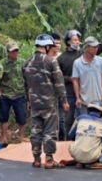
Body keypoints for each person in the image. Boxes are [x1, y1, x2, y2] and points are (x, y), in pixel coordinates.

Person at [22, 34, 69, 169]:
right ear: (47, 46)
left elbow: (25, 86)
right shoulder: (51, 61)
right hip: (49, 103)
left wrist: (28, 102)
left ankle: (36, 159)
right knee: (50, 131)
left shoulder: (26, 63)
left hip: (34, 104)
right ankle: (49, 160)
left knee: (36, 130)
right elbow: (59, 83)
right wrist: (64, 101)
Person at [56, 30, 102, 140]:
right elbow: (57, 76)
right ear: (68, 42)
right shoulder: (62, 58)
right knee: (71, 120)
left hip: (85, 92)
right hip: (70, 94)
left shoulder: (81, 55)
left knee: (99, 121)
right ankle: (68, 142)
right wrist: (71, 79)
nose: (77, 42)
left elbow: (97, 51)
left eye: (78, 40)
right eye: (75, 40)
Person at [68, 100, 102, 169]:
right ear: (101, 112)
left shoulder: (80, 118)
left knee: (77, 140)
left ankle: (80, 162)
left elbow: (70, 136)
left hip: (76, 155)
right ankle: (94, 162)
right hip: (93, 156)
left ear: (89, 110)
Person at [0, 41, 26, 145]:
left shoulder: (23, 63)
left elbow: (26, 78)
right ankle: (4, 137)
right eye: (12, 51)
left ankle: (21, 138)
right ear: (8, 52)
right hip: (6, 94)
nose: (15, 53)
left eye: (16, 50)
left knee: (21, 117)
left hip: (19, 94)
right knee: (3, 117)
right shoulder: (2, 64)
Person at [72, 36, 102, 118]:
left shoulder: (101, 60)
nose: (96, 49)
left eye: (97, 46)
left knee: (101, 125)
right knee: (85, 124)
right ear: (87, 47)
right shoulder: (77, 63)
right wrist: (78, 98)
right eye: (94, 47)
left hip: (99, 100)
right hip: (84, 102)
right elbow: (75, 80)